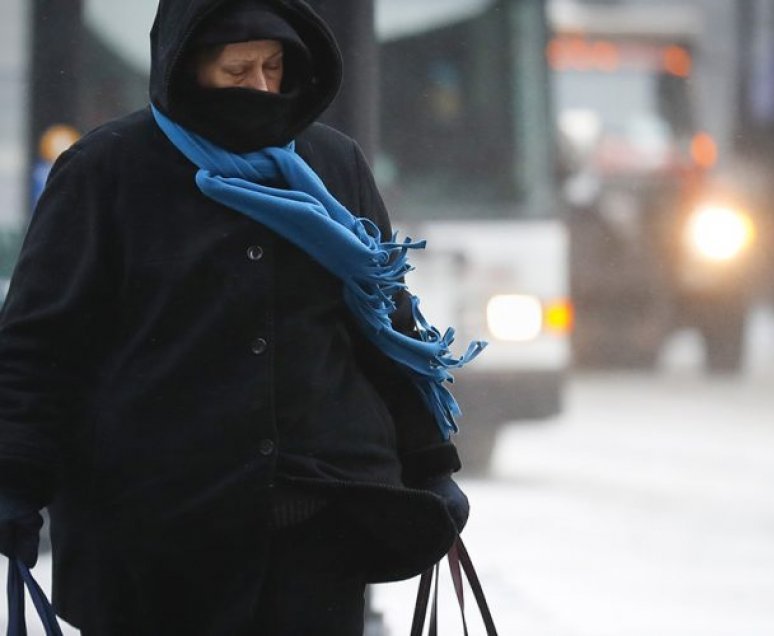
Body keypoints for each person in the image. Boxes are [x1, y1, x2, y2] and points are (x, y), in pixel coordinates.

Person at [0, 1, 482, 634]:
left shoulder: (332, 166)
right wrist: (15, 479)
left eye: (274, 67)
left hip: (317, 530)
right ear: (186, 69)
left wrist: (432, 463)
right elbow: (41, 345)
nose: (260, 87)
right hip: (153, 536)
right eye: (238, 70)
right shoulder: (106, 171)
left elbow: (385, 328)